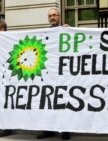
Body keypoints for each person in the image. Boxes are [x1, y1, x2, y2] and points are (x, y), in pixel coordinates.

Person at [36, 7, 70, 140]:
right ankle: (48, 129)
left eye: (55, 15)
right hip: (48, 74)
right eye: (50, 16)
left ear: (59, 16)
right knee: (47, 101)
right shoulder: (44, 32)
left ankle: (65, 130)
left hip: (63, 74)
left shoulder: (66, 30)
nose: (52, 17)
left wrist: (69, 31)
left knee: (63, 101)